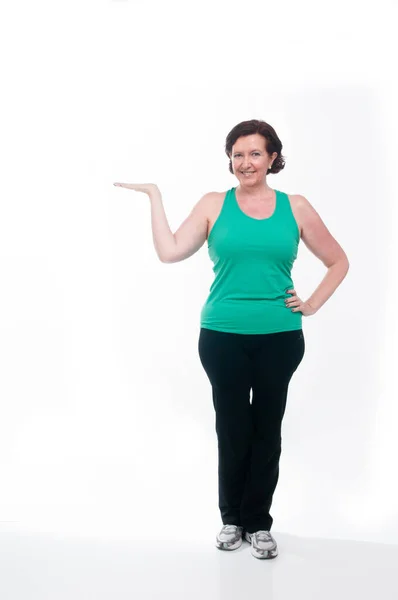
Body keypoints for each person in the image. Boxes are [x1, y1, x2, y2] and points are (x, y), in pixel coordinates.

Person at [113, 118, 350, 560]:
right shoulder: (212, 204)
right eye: (238, 154)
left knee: (267, 429)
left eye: (255, 153)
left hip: (280, 336)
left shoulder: (295, 206)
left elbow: (338, 261)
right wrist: (154, 196)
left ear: (273, 158)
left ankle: (259, 523)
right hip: (221, 336)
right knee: (232, 428)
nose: (246, 162)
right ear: (230, 160)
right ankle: (232, 520)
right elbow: (169, 252)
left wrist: (312, 304)